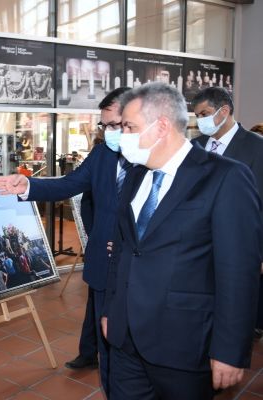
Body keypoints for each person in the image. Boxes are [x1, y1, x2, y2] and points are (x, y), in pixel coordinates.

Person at [101, 82, 261, 398]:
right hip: (125, 338)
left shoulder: (225, 177)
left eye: (130, 126)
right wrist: (111, 309)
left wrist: (229, 349)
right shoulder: (136, 173)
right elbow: (124, 249)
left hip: (184, 344)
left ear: (161, 126)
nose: (123, 134)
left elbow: (238, 272)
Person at [0, 87, 132, 394]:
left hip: (140, 271)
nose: (107, 132)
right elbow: (69, 184)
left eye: (114, 125)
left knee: (132, 351)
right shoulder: (102, 154)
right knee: (107, 350)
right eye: (104, 125)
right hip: (103, 266)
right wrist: (26, 184)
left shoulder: (155, 161)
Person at [191, 87, 263, 339]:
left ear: (224, 111)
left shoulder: (257, 147)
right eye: (197, 115)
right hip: (196, 246)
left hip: (237, 244)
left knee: (233, 313)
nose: (200, 120)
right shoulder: (195, 146)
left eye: (205, 113)